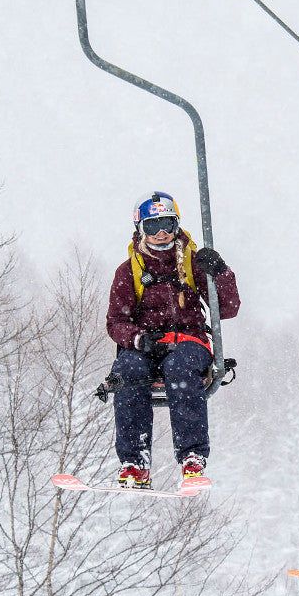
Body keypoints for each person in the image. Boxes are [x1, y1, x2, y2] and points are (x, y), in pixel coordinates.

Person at [105, 191, 239, 489]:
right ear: (140, 229)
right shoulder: (130, 271)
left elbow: (228, 309)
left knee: (181, 368)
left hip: (189, 339)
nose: (162, 233)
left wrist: (221, 273)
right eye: (153, 226)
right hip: (147, 342)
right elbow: (116, 321)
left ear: (177, 224)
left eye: (167, 224)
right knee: (128, 372)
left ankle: (192, 457)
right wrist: (139, 340)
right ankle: (134, 461)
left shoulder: (193, 263)